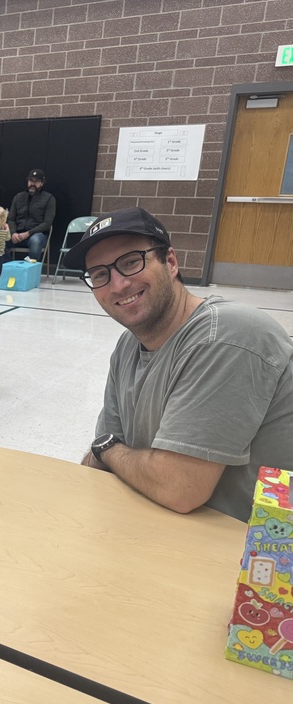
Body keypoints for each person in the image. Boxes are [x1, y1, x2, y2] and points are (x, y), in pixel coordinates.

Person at [65, 207, 293, 522]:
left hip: (248, 549)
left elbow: (179, 487)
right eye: (100, 274)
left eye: (131, 262)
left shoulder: (228, 335)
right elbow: (106, 457)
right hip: (166, 526)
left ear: (170, 262)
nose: (117, 285)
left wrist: (109, 451)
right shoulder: (128, 346)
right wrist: (110, 454)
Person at [8, 169, 55, 262]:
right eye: (31, 181)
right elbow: (11, 219)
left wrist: (28, 233)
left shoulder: (49, 198)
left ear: (42, 183)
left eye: (36, 181)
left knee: (35, 241)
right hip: (17, 233)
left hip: (37, 234)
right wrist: (13, 233)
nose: (32, 184)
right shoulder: (18, 197)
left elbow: (47, 223)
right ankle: (6, 270)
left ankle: (31, 273)